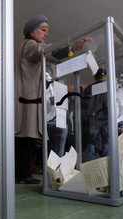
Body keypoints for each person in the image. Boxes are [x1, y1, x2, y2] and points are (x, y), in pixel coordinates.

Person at [14, 15, 92, 184]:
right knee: (25, 139)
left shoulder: (31, 46)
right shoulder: (30, 45)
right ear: (31, 32)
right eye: (43, 30)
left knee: (27, 139)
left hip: (31, 101)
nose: (46, 34)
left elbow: (48, 55)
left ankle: (22, 173)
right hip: (28, 102)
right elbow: (44, 51)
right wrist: (72, 47)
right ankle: (21, 174)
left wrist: (71, 51)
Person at [84, 68, 108, 161]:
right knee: (107, 140)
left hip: (93, 118)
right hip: (106, 117)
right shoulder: (108, 87)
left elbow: (84, 104)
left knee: (92, 140)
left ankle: (92, 162)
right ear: (105, 76)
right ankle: (105, 162)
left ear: (95, 77)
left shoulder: (88, 88)